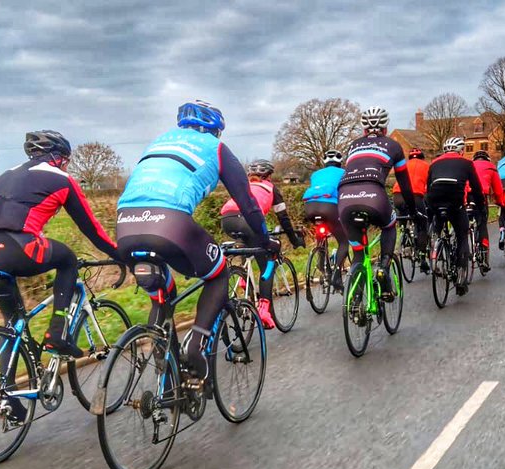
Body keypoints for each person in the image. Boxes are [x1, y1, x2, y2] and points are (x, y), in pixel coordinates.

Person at [115, 100, 275, 380]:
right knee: (218, 274)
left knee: (162, 297)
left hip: (125, 224)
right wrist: (265, 239)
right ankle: (197, 346)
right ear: (216, 130)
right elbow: (247, 203)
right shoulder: (216, 148)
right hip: (170, 222)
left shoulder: (159, 142)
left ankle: (168, 376)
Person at [0, 130, 120, 359]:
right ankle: (57, 333)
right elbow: (92, 229)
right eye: (67, 161)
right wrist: (119, 255)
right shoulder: (62, 179)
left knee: (13, 324)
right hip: (17, 247)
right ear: (59, 157)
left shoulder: (6, 174)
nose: (67, 166)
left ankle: (5, 391)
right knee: (68, 259)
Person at [337, 106, 424, 300]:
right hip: (373, 193)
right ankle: (384, 267)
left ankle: (356, 303)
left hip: (344, 196)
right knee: (389, 224)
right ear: (385, 129)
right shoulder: (393, 146)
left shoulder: (353, 145)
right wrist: (412, 210)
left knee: (358, 254)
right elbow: (404, 183)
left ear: (364, 130)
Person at [219, 159, 304, 329]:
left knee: (248, 246)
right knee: (272, 251)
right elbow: (284, 219)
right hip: (248, 220)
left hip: (226, 219)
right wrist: (295, 240)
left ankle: (244, 279)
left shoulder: (244, 186)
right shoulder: (271, 188)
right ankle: (264, 309)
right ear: (269, 176)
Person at [425, 137, 485, 296]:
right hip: (455, 201)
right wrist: (481, 208)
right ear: (462, 151)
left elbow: (427, 186)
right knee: (462, 235)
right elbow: (477, 189)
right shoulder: (466, 163)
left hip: (435, 199)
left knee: (437, 224)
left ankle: (434, 246)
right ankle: (460, 277)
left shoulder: (434, 163)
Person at [302, 150, 350, 291]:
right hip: (329, 207)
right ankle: (336, 275)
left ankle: (321, 261)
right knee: (343, 241)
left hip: (310, 208)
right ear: (339, 163)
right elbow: (345, 195)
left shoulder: (315, 174)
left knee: (321, 231)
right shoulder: (344, 173)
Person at [393, 148, 430, 269]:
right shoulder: (426, 166)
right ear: (422, 157)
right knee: (422, 224)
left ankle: (403, 233)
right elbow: (428, 186)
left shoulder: (404, 164)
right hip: (415, 196)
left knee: (402, 215)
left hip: (398, 195)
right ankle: (422, 255)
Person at [472, 150, 504, 253]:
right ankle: (484, 248)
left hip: (466, 195)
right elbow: (498, 189)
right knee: (482, 222)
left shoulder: (469, 165)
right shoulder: (491, 167)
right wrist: (500, 202)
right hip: (481, 196)